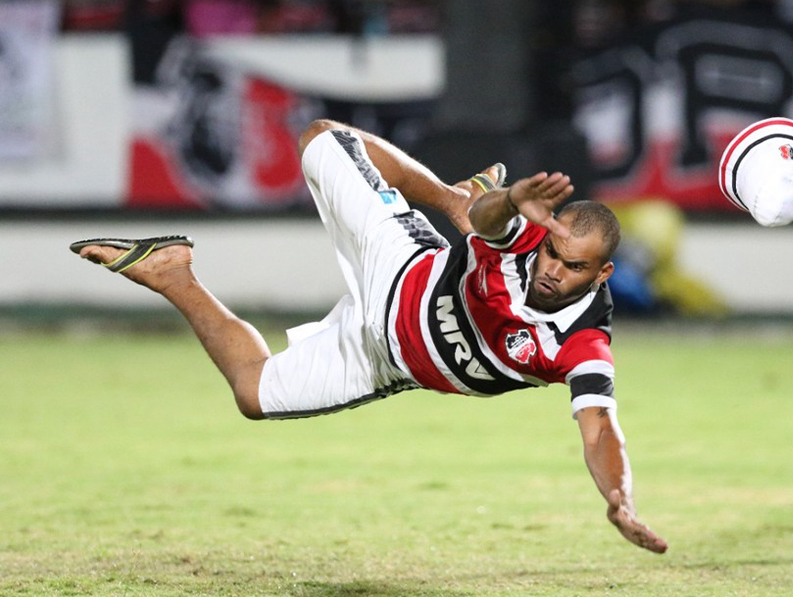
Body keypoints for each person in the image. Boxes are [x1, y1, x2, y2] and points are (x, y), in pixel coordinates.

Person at [72, 119, 668, 554]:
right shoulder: (529, 241)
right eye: (555, 254)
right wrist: (505, 201)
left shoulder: (584, 343)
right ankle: (450, 195)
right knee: (322, 140)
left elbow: (599, 429)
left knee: (254, 395)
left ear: (603, 274)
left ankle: (172, 271)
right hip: (401, 267)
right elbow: (494, 225)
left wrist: (619, 498)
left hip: (385, 361)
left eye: (575, 267)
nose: (554, 270)